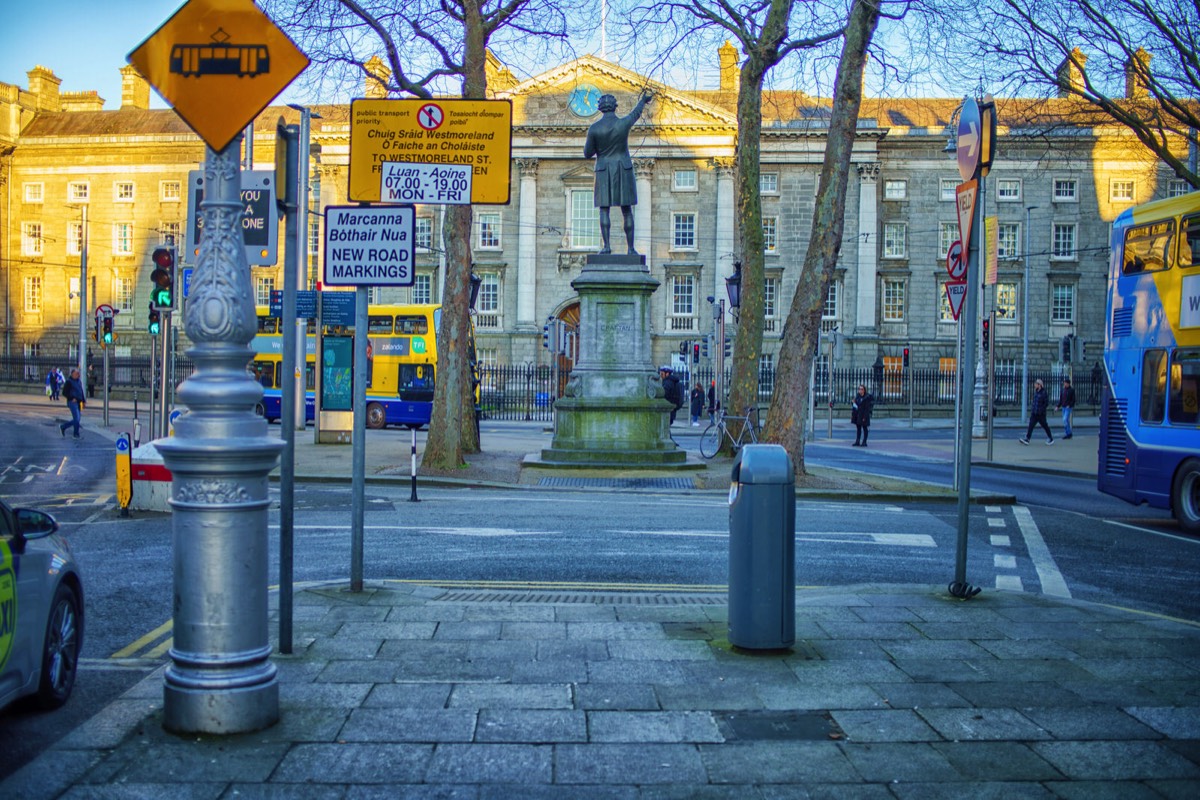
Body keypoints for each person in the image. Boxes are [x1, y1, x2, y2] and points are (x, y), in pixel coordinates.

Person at [584, 91, 653, 255]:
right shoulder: (623, 124)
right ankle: (630, 249)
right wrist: (643, 100)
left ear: (600, 108)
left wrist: (599, 147)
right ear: (615, 107)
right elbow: (635, 114)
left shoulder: (594, 129)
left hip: (603, 170)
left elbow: (587, 153)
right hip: (623, 168)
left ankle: (606, 247)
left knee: (604, 209)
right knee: (627, 210)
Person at [1020, 378, 1054, 445]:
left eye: (1036, 384)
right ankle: (1027, 439)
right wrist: (1033, 410)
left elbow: (1046, 403)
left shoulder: (1044, 393)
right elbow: (1034, 402)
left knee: (1045, 426)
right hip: (1034, 413)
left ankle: (1050, 438)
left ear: (1040, 385)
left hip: (1041, 414)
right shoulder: (1036, 392)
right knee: (1031, 425)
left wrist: (1041, 410)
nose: (1035, 385)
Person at [59, 367, 85, 439]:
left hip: (78, 401)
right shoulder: (69, 382)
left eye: (78, 374)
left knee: (77, 419)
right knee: (76, 419)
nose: (78, 375)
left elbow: (81, 391)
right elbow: (64, 392)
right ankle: (76, 434)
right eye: (77, 373)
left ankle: (63, 427)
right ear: (73, 374)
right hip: (72, 402)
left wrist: (83, 400)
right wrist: (71, 398)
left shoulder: (78, 381)